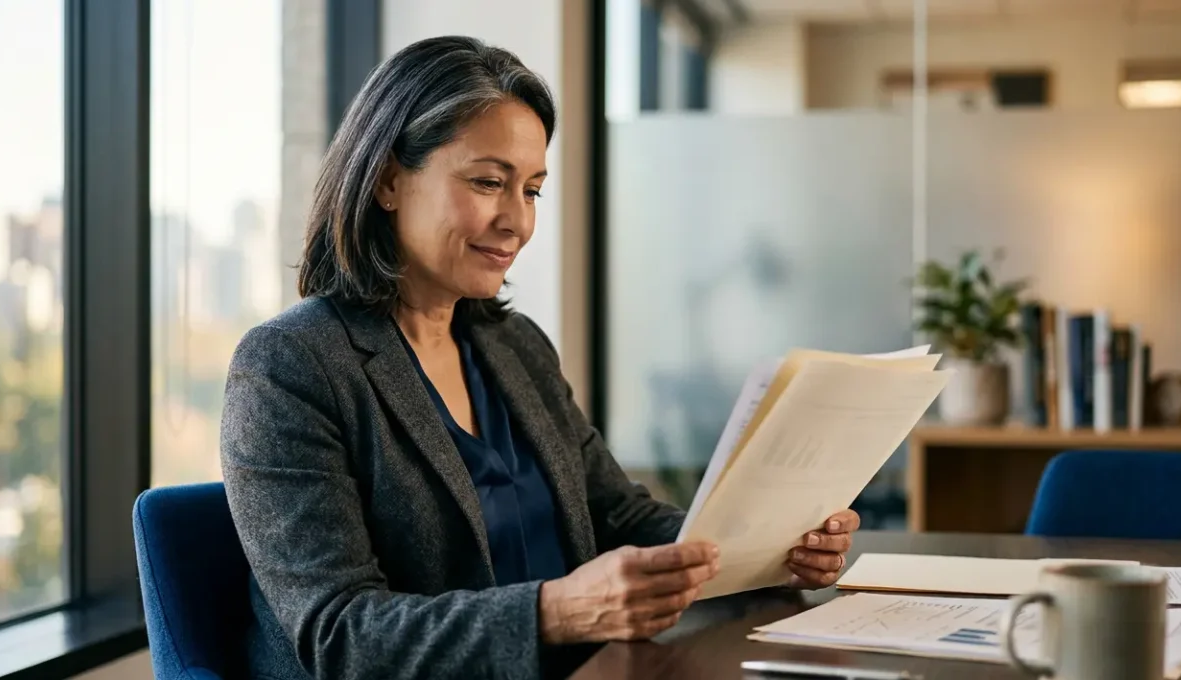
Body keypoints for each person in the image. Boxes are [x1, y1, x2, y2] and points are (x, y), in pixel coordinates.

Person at [219, 35, 859, 680]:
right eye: (489, 182)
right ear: (388, 180)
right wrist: (558, 613)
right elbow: (341, 636)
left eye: (531, 191)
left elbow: (619, 515)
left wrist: (767, 544)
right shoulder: (289, 366)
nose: (518, 223)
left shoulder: (514, 345)